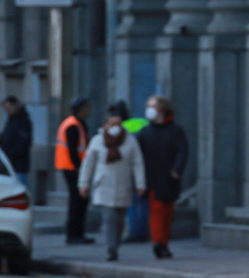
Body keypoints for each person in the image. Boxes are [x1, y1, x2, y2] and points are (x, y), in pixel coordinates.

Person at [79, 112, 146, 261]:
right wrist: (83, 184)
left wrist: (140, 184)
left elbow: (137, 163)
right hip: (103, 185)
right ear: (105, 125)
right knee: (109, 218)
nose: (115, 127)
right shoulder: (97, 141)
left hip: (123, 184)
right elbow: (88, 164)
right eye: (112, 124)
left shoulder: (130, 141)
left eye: (118, 124)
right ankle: (111, 249)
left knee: (120, 220)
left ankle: (116, 243)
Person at [136, 95, 189, 258]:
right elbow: (137, 155)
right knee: (157, 210)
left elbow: (183, 151)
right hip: (152, 177)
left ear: (163, 109)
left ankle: (164, 242)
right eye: (148, 106)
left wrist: (177, 169)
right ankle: (158, 242)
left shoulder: (175, 130)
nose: (149, 110)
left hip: (169, 177)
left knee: (167, 211)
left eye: (153, 106)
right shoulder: (145, 132)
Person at [113, 99, 151, 242]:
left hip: (129, 169)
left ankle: (136, 232)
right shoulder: (142, 122)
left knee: (133, 203)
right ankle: (144, 229)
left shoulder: (120, 129)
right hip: (147, 166)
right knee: (144, 202)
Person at [56, 96, 93, 244]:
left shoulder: (77, 124)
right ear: (81, 109)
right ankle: (74, 235)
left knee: (80, 202)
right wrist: (78, 167)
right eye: (87, 107)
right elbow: (73, 150)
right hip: (73, 169)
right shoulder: (73, 125)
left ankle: (78, 234)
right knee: (77, 202)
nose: (89, 110)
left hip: (74, 168)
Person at [0, 96, 32, 185]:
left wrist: (11, 155)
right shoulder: (11, 120)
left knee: (19, 186)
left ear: (15, 106)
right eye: (6, 109)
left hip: (18, 164)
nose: (7, 111)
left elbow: (23, 143)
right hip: (9, 163)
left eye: (9, 108)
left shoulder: (23, 121)